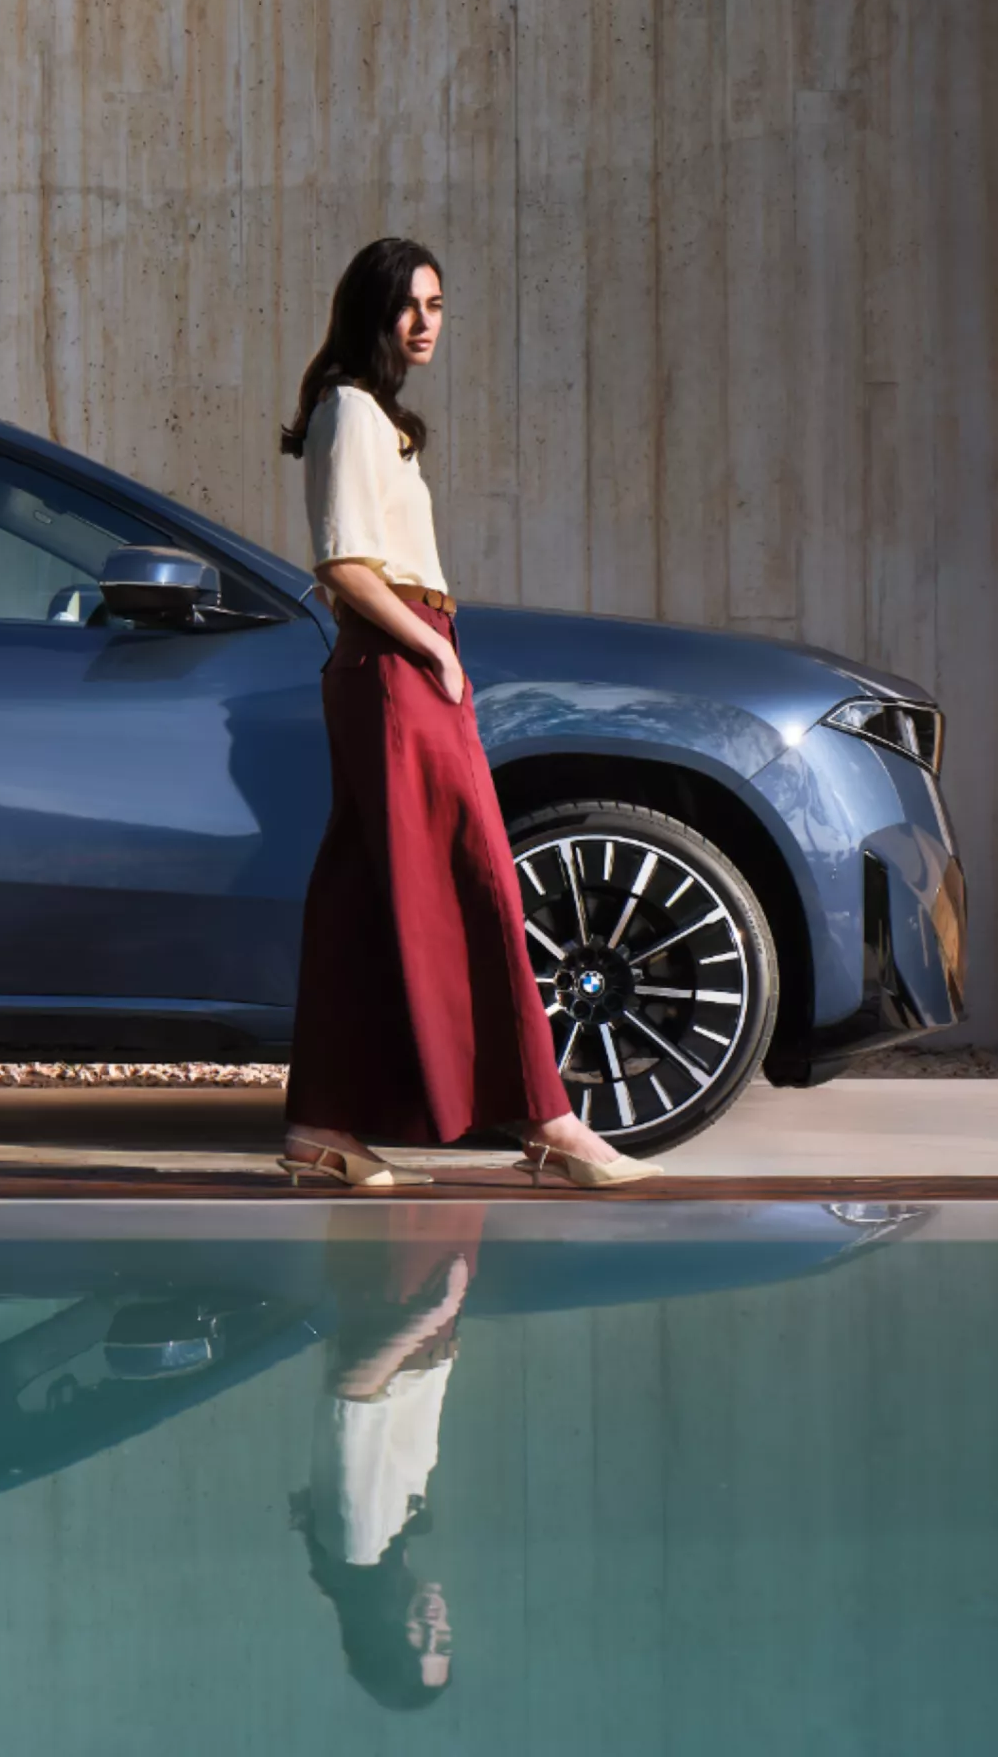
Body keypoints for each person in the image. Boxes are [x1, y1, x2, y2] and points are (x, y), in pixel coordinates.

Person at [278, 238, 657, 1188]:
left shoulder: (378, 419)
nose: (425, 323)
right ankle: (550, 1122)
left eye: (437, 304)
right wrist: (435, 647)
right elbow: (341, 565)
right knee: (480, 879)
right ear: (370, 310)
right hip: (398, 670)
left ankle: (322, 1128)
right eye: (409, 305)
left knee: (364, 902)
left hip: (400, 667)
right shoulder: (349, 412)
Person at [291, 1209, 479, 1709]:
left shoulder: (361, 1543)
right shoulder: (380, 1548)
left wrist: (434, 1313)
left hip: (404, 1294)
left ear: (388, 1635)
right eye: (446, 1642)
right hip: (409, 1301)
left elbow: (352, 1389)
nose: (440, 1626)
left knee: (422, 1151)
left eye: (426, 1642)